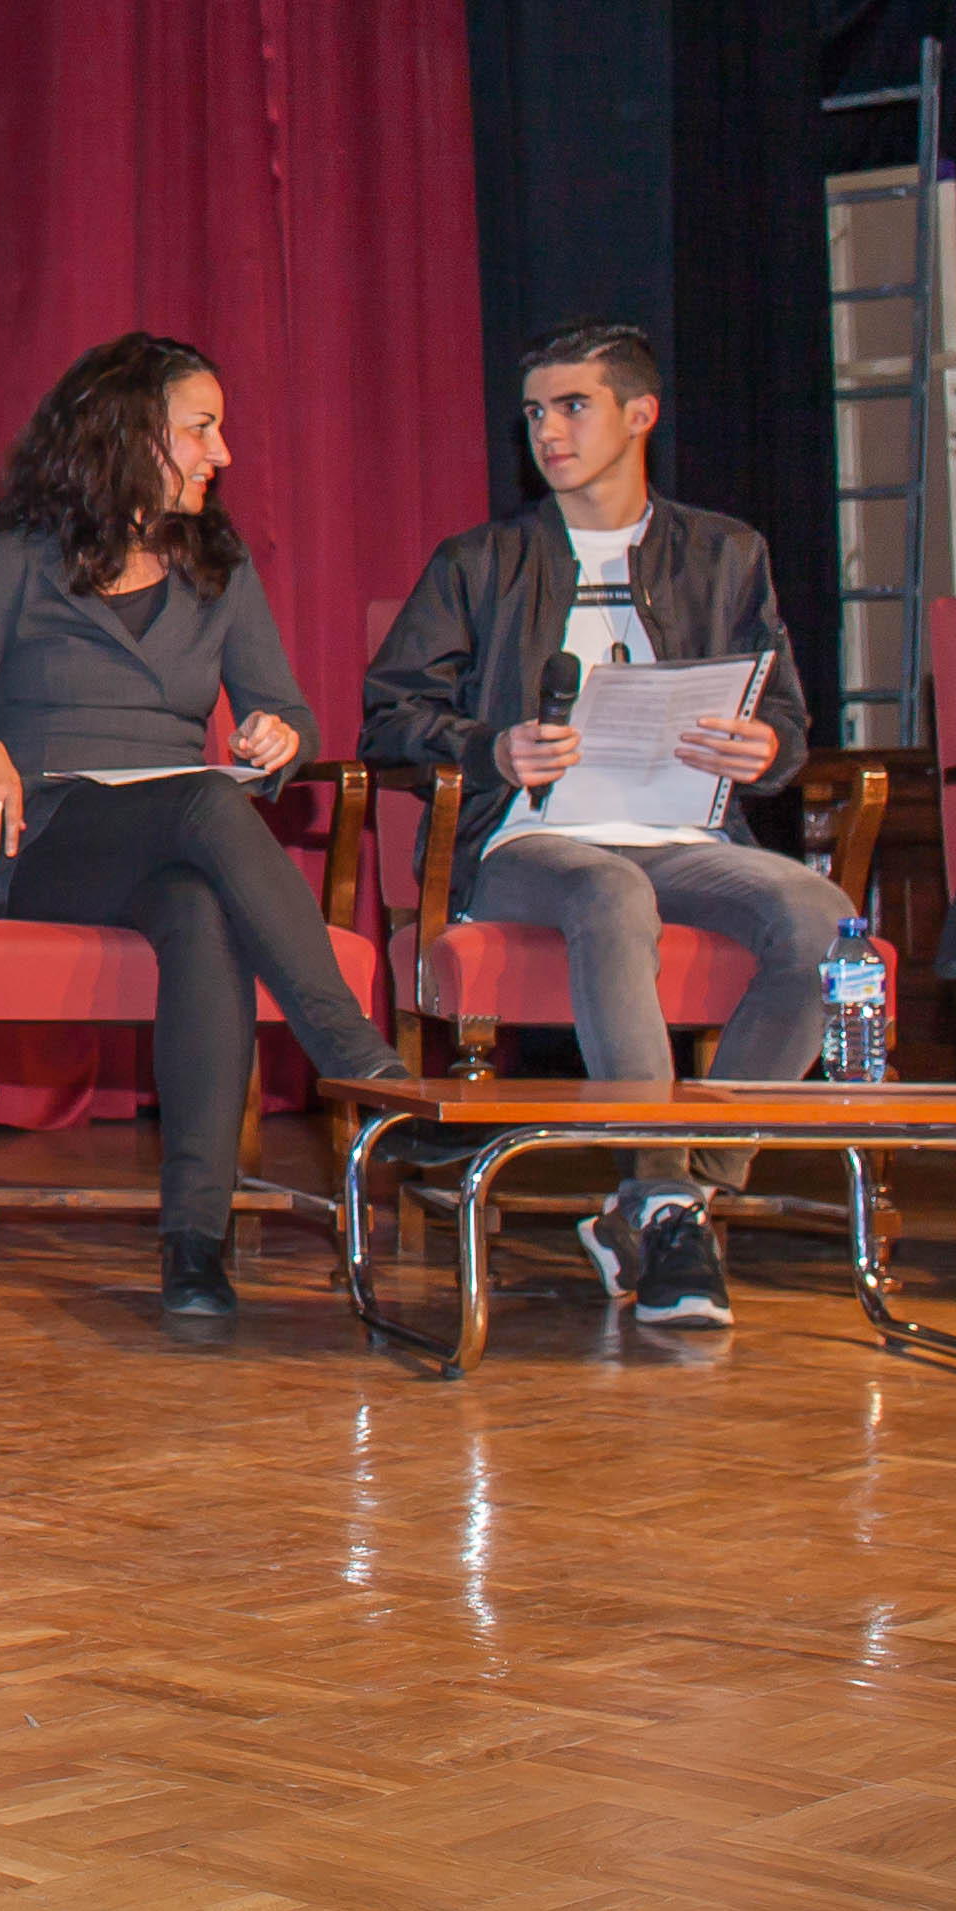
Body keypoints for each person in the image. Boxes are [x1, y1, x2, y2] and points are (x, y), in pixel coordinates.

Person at [0, 331, 429, 1320]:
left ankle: (194, 1246)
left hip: (170, 844)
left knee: (200, 912)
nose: (221, 453)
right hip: (40, 842)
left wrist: (281, 735)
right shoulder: (12, 563)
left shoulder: (220, 571)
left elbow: (290, 711)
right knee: (207, 801)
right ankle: (360, 1062)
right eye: (201, 428)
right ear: (131, 433)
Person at [361, 322, 835, 1330]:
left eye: (573, 407)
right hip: (535, 843)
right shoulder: (483, 561)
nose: (549, 431)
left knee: (823, 920)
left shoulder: (727, 553)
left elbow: (788, 721)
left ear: (640, 414)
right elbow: (390, 714)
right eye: (536, 411)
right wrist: (492, 748)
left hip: (688, 838)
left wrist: (765, 748)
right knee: (610, 890)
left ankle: (675, 1198)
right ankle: (667, 1200)